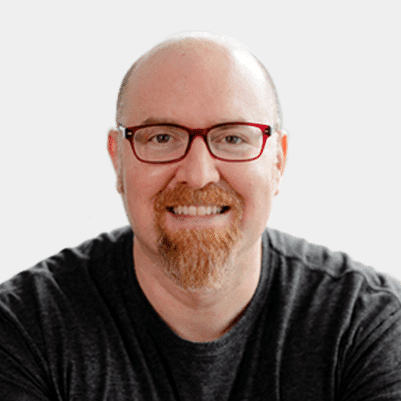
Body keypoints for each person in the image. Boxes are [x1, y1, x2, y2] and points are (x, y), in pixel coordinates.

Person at [1, 31, 400, 400]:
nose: (197, 174)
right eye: (161, 137)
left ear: (278, 161)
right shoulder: (25, 328)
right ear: (117, 159)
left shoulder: (367, 324)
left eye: (232, 138)